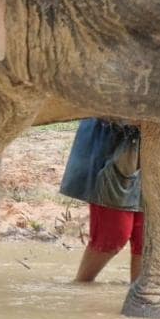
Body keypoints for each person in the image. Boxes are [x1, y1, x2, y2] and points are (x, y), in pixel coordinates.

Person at [58, 117, 144, 284]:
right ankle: (81, 285)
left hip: (158, 150)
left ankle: (139, 295)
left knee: (147, 238)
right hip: (114, 141)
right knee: (113, 234)